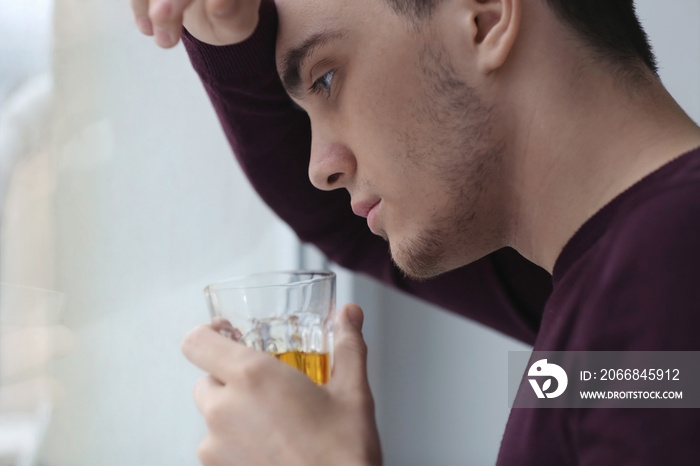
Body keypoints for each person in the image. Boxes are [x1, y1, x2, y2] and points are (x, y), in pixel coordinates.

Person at [131, 0, 700, 464]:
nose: (320, 167)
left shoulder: (665, 268)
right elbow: (341, 224)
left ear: (486, 19)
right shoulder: (625, 286)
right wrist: (225, 30)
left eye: (326, 77)